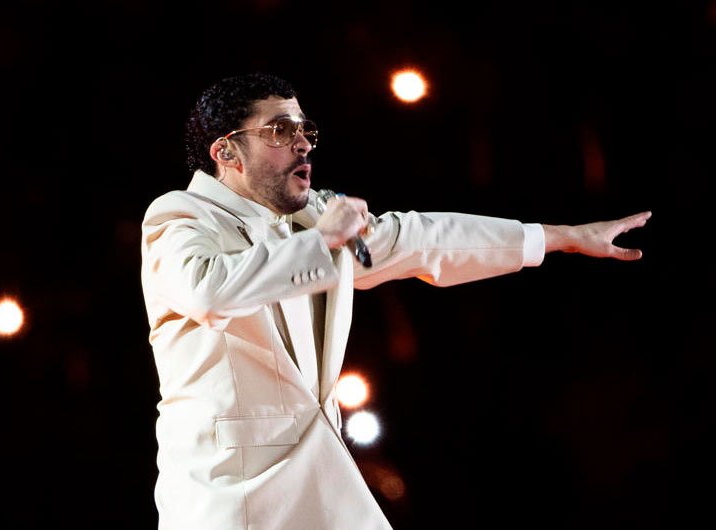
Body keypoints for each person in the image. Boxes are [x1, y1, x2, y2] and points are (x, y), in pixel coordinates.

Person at [140, 72, 650, 529]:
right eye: (279, 130)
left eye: (305, 130)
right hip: (233, 501)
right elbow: (210, 290)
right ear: (226, 152)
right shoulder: (181, 216)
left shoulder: (311, 218)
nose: (303, 143)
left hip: (323, 486)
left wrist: (560, 237)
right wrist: (324, 240)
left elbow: (422, 239)